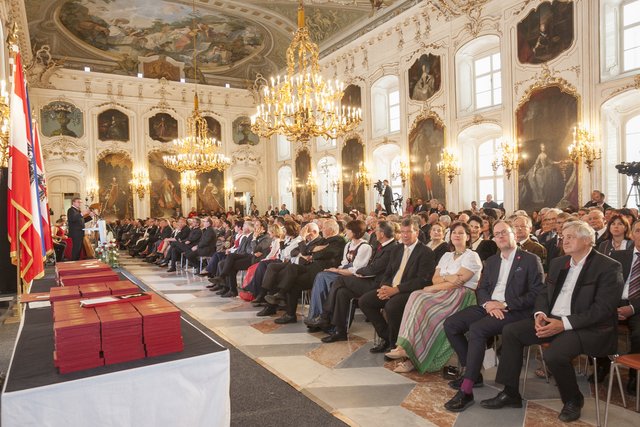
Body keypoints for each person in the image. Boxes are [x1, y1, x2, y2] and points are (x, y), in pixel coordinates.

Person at [480, 221, 623, 423]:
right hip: (552, 320)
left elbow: (603, 310)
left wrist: (563, 323)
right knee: (512, 331)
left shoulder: (608, 267)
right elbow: (544, 294)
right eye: (564, 236)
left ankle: (573, 399)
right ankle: (510, 392)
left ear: (588, 240)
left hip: (587, 327)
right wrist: (540, 314)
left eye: (571, 236)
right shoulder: (559, 263)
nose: (565, 240)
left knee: (554, 354)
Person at [442, 220, 544, 412]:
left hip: (515, 311)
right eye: (497, 234)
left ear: (514, 234)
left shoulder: (530, 260)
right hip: (489, 307)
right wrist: (489, 304)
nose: (500, 236)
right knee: (451, 324)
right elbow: (482, 289)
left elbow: (537, 293)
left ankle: (466, 390)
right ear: (494, 239)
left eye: (504, 232)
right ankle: (472, 372)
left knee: (477, 330)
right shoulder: (493, 261)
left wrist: (504, 304)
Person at [385, 221, 482, 373]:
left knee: (423, 302)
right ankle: (404, 347)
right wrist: (446, 279)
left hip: (461, 296)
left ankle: (411, 354)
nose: (457, 235)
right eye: (454, 232)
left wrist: (433, 286)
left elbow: (458, 283)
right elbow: (435, 278)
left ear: (468, 237)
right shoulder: (447, 256)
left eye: (461, 233)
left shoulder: (472, 256)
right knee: (416, 295)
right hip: (442, 292)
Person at [307, 221, 398, 341]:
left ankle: (324, 316)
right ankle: (340, 331)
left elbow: (374, 268)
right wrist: (359, 271)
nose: (374, 233)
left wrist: (358, 271)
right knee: (342, 293)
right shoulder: (379, 244)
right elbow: (371, 266)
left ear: (382, 234)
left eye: (376, 231)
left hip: (377, 284)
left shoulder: (392, 248)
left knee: (340, 280)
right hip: (368, 278)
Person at [358, 218, 436, 353]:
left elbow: (423, 280)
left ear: (416, 232)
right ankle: (387, 337)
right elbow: (388, 273)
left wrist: (396, 290)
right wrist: (384, 287)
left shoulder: (425, 252)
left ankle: (394, 345)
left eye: (409, 232)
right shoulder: (396, 249)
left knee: (391, 306)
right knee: (364, 301)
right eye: (403, 232)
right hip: (390, 288)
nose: (405, 235)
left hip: (409, 291)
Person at [609, 220, 640, 395]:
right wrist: (612, 306)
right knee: (595, 324)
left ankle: (634, 376)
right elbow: (606, 284)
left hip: (638, 307)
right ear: (632, 234)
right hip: (615, 303)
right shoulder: (618, 256)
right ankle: (603, 367)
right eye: (639, 231)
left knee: (639, 334)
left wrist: (633, 308)